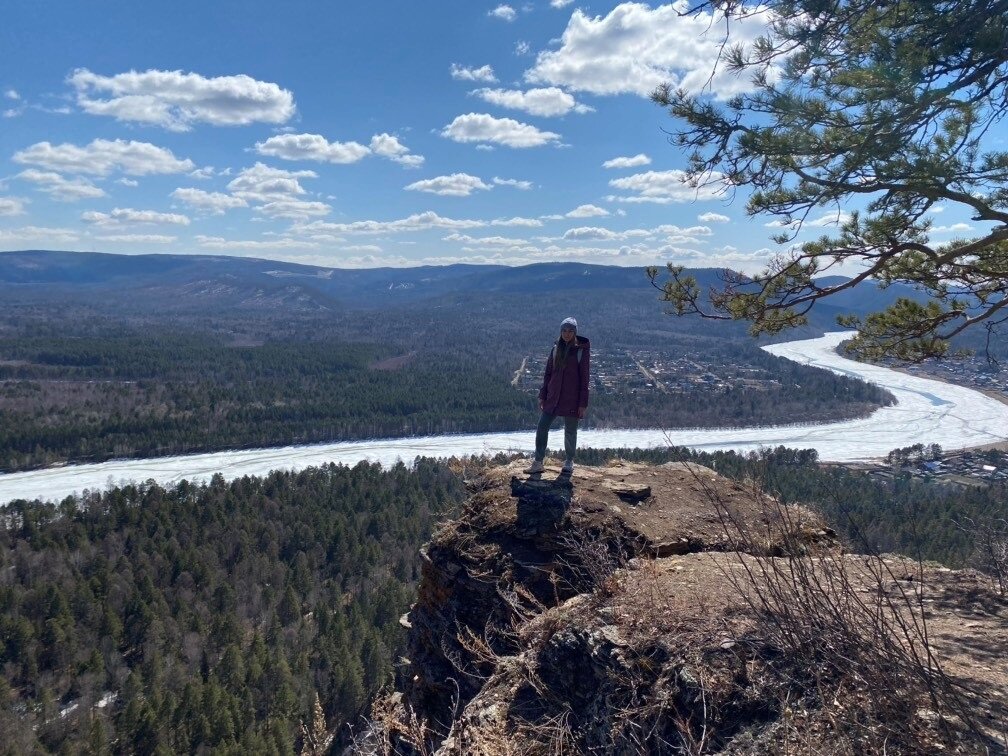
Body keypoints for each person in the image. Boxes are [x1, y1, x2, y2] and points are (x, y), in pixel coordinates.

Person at [525, 317, 590, 475]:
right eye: (564, 331)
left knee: (570, 430)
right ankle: (538, 461)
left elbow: (585, 378)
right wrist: (543, 394)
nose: (567, 334)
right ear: (560, 332)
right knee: (542, 427)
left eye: (570, 331)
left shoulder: (581, 351)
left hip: (572, 398)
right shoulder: (556, 349)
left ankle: (569, 461)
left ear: (575, 332)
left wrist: (583, 404)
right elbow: (548, 373)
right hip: (553, 396)